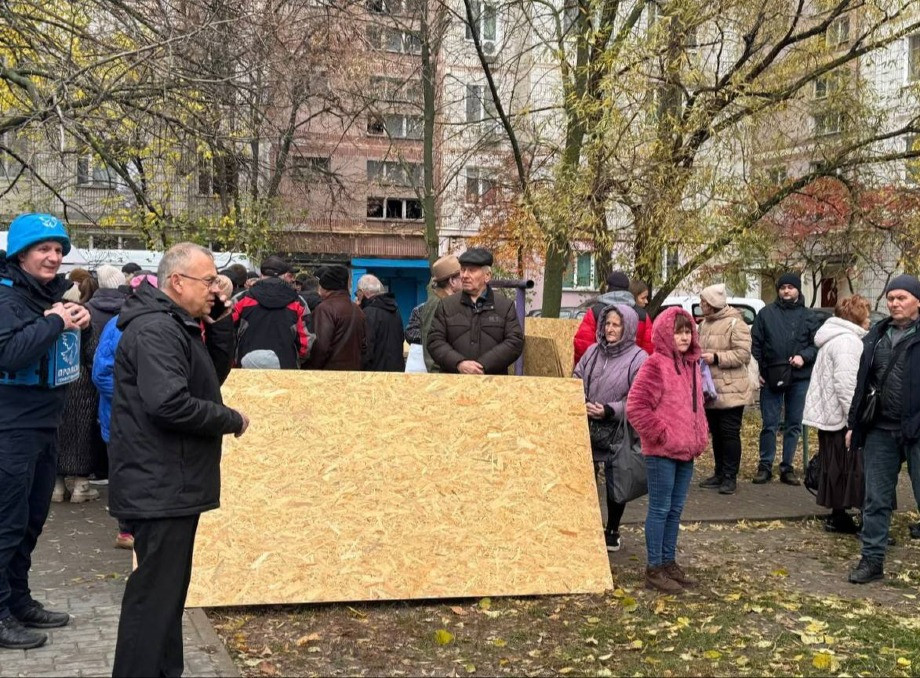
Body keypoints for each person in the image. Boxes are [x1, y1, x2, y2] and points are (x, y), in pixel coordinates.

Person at [108, 243, 249, 676]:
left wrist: (220, 323)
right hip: (160, 483)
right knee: (153, 602)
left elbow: (208, 379)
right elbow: (169, 403)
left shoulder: (176, 325)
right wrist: (231, 419)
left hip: (170, 481)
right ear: (177, 282)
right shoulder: (157, 329)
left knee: (165, 599)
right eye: (208, 281)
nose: (215, 289)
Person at [0, 213, 91, 649]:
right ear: (21, 254)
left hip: (45, 424)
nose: (53, 257)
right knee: (6, 525)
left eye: (58, 250)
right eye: (43, 249)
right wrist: (55, 321)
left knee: (30, 522)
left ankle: (18, 600)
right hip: (10, 429)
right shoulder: (6, 298)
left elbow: (63, 352)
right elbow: (10, 354)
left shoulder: (45, 296)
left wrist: (79, 322)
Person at [627, 307, 709, 593]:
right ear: (665, 334)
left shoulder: (691, 365)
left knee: (675, 509)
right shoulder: (655, 365)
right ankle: (654, 568)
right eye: (678, 332)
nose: (684, 337)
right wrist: (661, 434)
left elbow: (696, 405)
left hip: (686, 450)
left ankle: (668, 561)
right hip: (662, 452)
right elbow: (636, 406)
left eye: (688, 331)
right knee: (660, 508)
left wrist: (699, 434)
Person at [846, 276, 920, 584]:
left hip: (916, 430)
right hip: (879, 429)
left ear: (917, 301)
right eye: (891, 298)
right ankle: (872, 561)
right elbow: (862, 384)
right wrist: (854, 424)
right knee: (875, 499)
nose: (894, 303)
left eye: (902, 298)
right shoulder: (876, 335)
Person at [573, 304, 647, 552]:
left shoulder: (639, 358)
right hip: (587, 423)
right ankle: (586, 526)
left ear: (628, 328)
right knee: (584, 479)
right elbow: (576, 377)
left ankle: (612, 529)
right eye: (607, 324)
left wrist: (609, 410)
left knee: (617, 481)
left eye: (616, 325)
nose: (610, 329)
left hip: (617, 428)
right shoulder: (592, 352)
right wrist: (581, 401)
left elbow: (638, 399)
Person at [92, 274, 157, 550]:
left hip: (147, 418)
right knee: (124, 472)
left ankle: (141, 526)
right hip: (120, 416)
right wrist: (133, 399)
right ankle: (126, 529)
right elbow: (101, 373)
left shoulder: (162, 324)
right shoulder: (117, 325)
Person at [802, 295, 870, 535]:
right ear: (857, 316)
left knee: (836, 468)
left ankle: (838, 517)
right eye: (866, 314)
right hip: (841, 419)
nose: (869, 320)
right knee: (853, 469)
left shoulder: (834, 337)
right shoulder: (847, 342)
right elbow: (847, 385)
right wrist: (854, 421)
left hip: (831, 416)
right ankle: (865, 522)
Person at [751, 273, 820, 485]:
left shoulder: (809, 316)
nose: (786, 291)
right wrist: (759, 371)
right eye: (783, 287)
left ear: (798, 289)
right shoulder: (765, 314)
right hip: (771, 376)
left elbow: (817, 344)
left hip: (799, 377)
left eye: (790, 287)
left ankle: (787, 467)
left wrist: (803, 356)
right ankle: (765, 466)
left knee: (793, 424)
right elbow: (756, 344)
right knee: (769, 424)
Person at [427, 248, 523, 375]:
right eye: (463, 270)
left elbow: (514, 342)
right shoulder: (446, 306)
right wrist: (459, 363)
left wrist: (483, 365)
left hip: (492, 382)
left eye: (471, 270)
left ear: (487, 276)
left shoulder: (505, 307)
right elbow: (435, 341)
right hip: (454, 383)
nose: (465, 275)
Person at [697, 283, 754, 495]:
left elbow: (743, 354)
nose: (701, 305)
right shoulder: (704, 324)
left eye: (704, 301)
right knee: (716, 433)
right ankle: (719, 472)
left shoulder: (735, 323)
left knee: (729, 433)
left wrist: (716, 357)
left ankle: (730, 476)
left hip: (732, 388)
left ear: (713, 303)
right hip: (710, 388)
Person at [53, 282, 106, 504]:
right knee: (83, 432)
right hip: (82, 381)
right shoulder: (82, 316)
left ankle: (56, 486)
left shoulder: (50, 315)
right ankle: (81, 485)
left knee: (58, 432)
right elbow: (93, 352)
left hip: (55, 379)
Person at [232, 255, 310, 369]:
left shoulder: (241, 299)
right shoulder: (298, 302)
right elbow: (306, 342)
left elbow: (227, 331)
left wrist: (233, 361)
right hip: (286, 367)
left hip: (246, 366)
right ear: (284, 275)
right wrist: (297, 359)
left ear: (261, 275)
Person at [573, 271, 654, 366]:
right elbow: (649, 348)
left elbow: (582, 345)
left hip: (600, 369)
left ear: (608, 287)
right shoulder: (642, 315)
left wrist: (586, 368)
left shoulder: (595, 312)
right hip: (632, 370)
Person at [405, 255, 462, 373]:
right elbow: (430, 349)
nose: (465, 280)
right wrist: (436, 377)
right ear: (452, 281)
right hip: (441, 376)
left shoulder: (442, 302)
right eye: (461, 277)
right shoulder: (437, 305)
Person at [308, 264, 367, 371]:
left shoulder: (325, 309)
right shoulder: (357, 310)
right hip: (353, 373)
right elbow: (363, 346)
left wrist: (311, 369)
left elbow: (321, 347)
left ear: (325, 288)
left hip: (329, 374)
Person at [357, 274, 405, 372]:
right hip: (396, 371)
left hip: (375, 374)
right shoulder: (395, 310)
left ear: (363, 293)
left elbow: (366, 350)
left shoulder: (368, 312)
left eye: (357, 293)